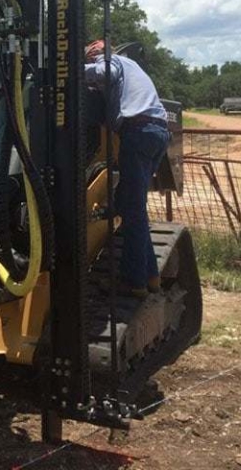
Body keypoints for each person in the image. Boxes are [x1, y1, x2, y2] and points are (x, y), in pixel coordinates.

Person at [84, 39, 170, 298]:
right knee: (133, 208)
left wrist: (69, 71)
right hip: (156, 133)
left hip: (138, 133)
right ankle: (151, 277)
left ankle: (133, 282)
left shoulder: (111, 62)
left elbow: (103, 72)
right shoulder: (131, 66)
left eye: (89, 59)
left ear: (96, 53)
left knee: (132, 212)